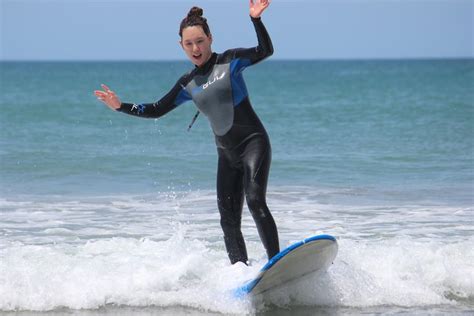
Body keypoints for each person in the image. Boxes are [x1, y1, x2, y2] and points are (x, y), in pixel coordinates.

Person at [94, 0, 279, 265]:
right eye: (189, 43)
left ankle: (276, 262)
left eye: (200, 41)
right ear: (181, 45)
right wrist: (120, 106)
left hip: (253, 143)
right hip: (226, 155)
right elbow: (157, 109)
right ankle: (241, 272)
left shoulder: (230, 61)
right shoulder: (187, 84)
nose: (196, 48)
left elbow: (265, 50)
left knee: (254, 200)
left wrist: (256, 20)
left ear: (210, 39)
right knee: (227, 220)